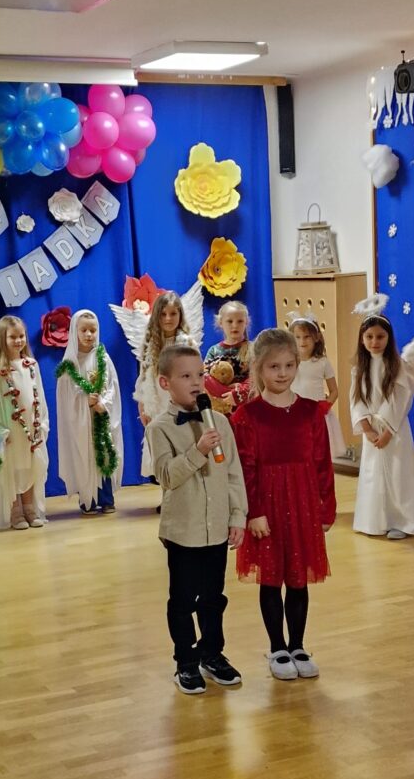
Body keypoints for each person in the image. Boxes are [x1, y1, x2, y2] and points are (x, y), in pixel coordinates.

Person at [232, 328, 336, 681]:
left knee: (298, 578)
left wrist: (326, 508)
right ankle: (277, 647)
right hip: (267, 507)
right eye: (274, 366)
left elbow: (323, 464)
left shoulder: (311, 412)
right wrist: (254, 512)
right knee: (271, 577)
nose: (282, 373)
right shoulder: (248, 416)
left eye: (289, 365)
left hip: (303, 503)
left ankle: (298, 645)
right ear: (259, 368)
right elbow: (245, 469)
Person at [146, 344, 248, 695]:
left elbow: (233, 474)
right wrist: (198, 450)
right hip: (183, 531)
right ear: (165, 383)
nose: (196, 382)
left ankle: (212, 653)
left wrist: (238, 516)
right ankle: (185, 662)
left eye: (200, 375)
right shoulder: (160, 428)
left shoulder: (220, 422)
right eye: (185, 376)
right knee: (183, 600)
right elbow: (166, 476)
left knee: (213, 598)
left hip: (216, 528)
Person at [350, 313, 414, 539]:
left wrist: (388, 431)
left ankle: (403, 522)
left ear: (389, 338)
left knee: (399, 473)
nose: (374, 342)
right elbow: (356, 400)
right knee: (373, 474)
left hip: (394, 430)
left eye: (380, 336)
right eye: (369, 336)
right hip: (372, 431)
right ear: (362, 339)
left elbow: (400, 399)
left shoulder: (397, 366)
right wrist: (367, 429)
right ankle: (377, 520)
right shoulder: (359, 369)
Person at [56, 309, 123, 514]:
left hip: (101, 417)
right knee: (84, 457)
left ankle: (106, 498)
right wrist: (84, 401)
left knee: (104, 454)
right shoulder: (69, 365)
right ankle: (88, 500)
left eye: (92, 330)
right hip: (81, 422)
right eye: (83, 330)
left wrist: (103, 403)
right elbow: (67, 398)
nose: (88, 334)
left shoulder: (103, 358)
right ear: (75, 331)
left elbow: (112, 387)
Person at [0, 315, 49, 530]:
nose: (18, 340)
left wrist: (42, 423)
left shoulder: (31, 365)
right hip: (11, 429)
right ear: (2, 339)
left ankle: (30, 508)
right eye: (13, 337)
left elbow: (40, 396)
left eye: (21, 336)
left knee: (30, 466)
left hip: (31, 428)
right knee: (13, 467)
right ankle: (15, 510)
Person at [134, 292, 196, 477]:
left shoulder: (187, 343)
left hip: (180, 401)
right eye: (163, 314)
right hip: (157, 402)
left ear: (180, 315)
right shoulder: (149, 344)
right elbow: (143, 377)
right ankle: (165, 490)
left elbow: (195, 374)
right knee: (161, 449)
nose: (168, 318)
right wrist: (143, 405)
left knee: (181, 446)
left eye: (173, 313)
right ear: (156, 316)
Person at [290, 314, 346, 458]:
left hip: (317, 415)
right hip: (294, 415)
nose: (302, 341)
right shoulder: (289, 362)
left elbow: (334, 391)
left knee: (318, 454)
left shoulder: (322, 362)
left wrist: (325, 406)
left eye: (307, 337)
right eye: (297, 337)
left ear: (316, 337)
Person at [204, 300, 252, 413]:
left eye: (240, 321)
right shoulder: (214, 350)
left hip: (245, 408)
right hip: (220, 408)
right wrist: (226, 392)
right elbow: (204, 377)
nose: (235, 325)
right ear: (221, 323)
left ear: (246, 322)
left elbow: (257, 377)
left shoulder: (253, 349)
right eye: (230, 321)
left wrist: (238, 393)